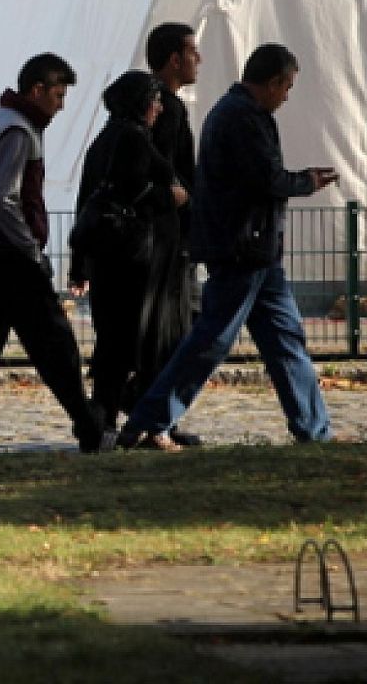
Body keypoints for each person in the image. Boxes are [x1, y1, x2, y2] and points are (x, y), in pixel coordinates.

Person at [115, 42, 339, 451]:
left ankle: (314, 428)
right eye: (286, 87)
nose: (287, 97)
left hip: (254, 249)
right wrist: (306, 181)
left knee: (284, 339)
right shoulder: (244, 118)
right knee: (212, 341)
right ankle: (149, 419)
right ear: (272, 83)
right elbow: (266, 180)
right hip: (243, 248)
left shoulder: (232, 112)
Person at [0, 53, 106, 456]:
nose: (61, 105)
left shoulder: (0, 121)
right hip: (11, 256)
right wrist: (31, 249)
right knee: (54, 342)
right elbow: (4, 198)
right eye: (59, 95)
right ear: (38, 91)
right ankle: (89, 426)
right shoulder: (20, 130)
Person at [67, 70, 185, 445]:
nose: (159, 107)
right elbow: (137, 190)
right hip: (136, 258)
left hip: (107, 257)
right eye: (153, 99)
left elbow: (87, 202)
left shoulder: (103, 141)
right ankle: (135, 421)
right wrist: (173, 197)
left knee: (113, 340)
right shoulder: (134, 139)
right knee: (137, 341)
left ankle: (106, 418)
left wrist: (79, 263)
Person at [141, 22, 204, 444]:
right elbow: (161, 169)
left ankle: (157, 417)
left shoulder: (162, 104)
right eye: (192, 52)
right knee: (170, 330)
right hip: (165, 237)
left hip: (166, 236)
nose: (198, 60)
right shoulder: (167, 109)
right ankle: (154, 418)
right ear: (174, 59)